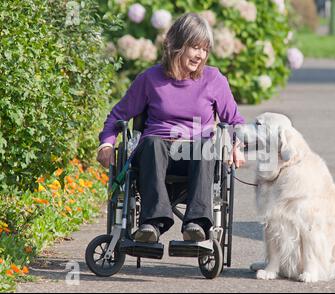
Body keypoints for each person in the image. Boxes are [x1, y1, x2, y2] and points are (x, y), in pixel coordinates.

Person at [96, 13, 245, 244]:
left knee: (204, 146)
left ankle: (196, 224)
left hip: (196, 157)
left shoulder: (213, 79)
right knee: (153, 142)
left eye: (205, 49)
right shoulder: (150, 79)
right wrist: (106, 143)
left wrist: (236, 144)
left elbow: (235, 120)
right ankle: (152, 224)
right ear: (176, 45)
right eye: (195, 47)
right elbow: (118, 115)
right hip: (156, 155)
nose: (200, 55)